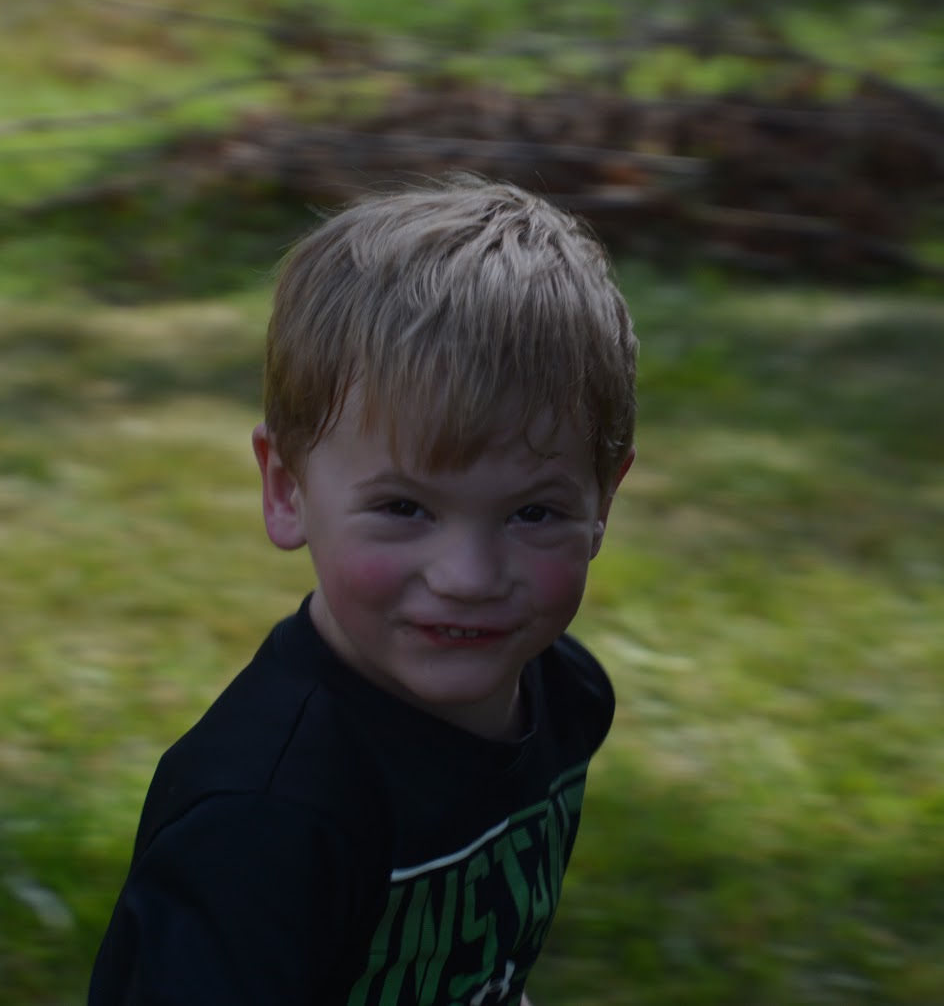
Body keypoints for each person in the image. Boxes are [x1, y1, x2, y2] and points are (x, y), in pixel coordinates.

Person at [88, 175, 638, 1006]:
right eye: (404, 507)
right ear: (287, 490)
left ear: (603, 503)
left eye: (533, 512)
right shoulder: (266, 817)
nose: (469, 577)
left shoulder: (566, 697)